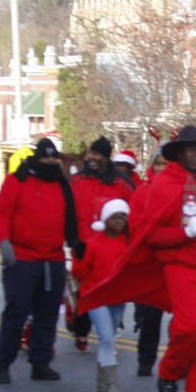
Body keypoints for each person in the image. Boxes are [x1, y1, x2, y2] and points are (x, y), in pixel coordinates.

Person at [79, 125, 196, 392]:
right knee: (192, 326)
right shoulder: (165, 183)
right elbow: (150, 234)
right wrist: (185, 232)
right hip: (179, 265)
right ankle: (169, 371)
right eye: (191, 149)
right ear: (179, 153)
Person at [0, 138, 78, 384]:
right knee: (17, 311)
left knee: (48, 313)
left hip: (52, 258)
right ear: (37, 158)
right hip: (22, 257)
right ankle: (3, 363)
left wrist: (75, 243)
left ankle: (40, 363)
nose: (51, 161)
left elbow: (71, 218)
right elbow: (3, 212)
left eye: (54, 157)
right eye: (47, 157)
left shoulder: (62, 185)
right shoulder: (18, 180)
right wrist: (4, 241)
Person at [69, 136, 134, 353]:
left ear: (106, 157)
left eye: (97, 154)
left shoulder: (122, 183)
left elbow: (131, 215)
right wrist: (72, 241)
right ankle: (81, 330)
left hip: (112, 247)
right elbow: (68, 213)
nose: (91, 158)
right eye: (90, 153)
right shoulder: (77, 181)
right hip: (83, 245)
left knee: (108, 290)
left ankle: (108, 334)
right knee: (83, 293)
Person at [74, 199, 130, 392]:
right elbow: (80, 272)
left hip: (117, 297)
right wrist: (78, 258)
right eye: (115, 217)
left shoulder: (128, 244)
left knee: (109, 338)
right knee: (106, 338)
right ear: (106, 219)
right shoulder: (93, 243)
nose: (119, 221)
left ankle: (100, 382)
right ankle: (112, 385)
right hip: (96, 297)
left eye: (123, 217)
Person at [130, 149, 168, 377]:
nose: (162, 168)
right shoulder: (142, 192)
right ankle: (146, 360)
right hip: (150, 263)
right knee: (151, 317)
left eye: (167, 164)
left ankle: (180, 361)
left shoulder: (182, 190)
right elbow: (135, 227)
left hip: (175, 263)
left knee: (185, 320)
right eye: (159, 163)